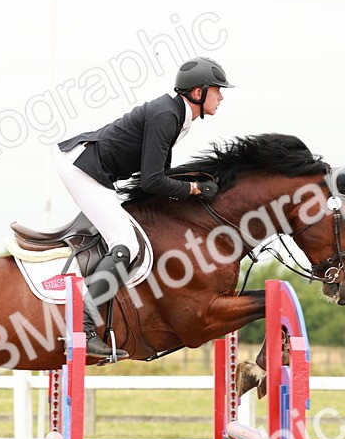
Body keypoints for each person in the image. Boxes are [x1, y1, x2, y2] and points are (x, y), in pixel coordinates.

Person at [55, 56, 233, 359]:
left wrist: (195, 187)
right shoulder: (167, 115)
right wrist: (193, 189)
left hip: (93, 170)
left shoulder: (178, 117)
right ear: (198, 93)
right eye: (217, 90)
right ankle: (81, 329)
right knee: (124, 244)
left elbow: (158, 175)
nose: (222, 96)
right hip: (82, 170)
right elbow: (152, 181)